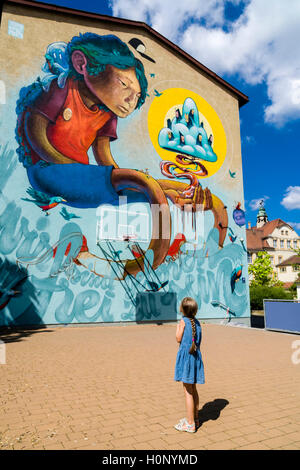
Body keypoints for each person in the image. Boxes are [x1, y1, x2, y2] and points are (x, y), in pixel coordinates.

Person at [174, 297, 205, 433]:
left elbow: (178, 338)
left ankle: (190, 424)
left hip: (186, 360)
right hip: (195, 358)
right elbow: (198, 341)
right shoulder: (197, 323)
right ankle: (196, 418)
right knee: (193, 389)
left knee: (188, 392)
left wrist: (178, 328)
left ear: (182, 309)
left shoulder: (183, 321)